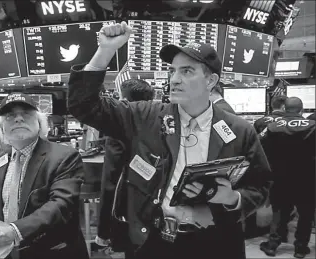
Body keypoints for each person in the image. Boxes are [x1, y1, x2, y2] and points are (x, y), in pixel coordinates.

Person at [67, 22, 271, 259]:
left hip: (216, 240)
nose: (174, 79)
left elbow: (260, 184)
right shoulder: (143, 116)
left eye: (186, 71)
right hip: (154, 241)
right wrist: (105, 51)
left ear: (210, 81)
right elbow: (84, 106)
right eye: (172, 71)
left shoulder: (239, 129)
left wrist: (233, 198)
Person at [0, 93, 88, 259]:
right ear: (2, 128)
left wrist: (15, 230)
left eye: (26, 114)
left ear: (40, 123)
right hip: (7, 250)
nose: (18, 119)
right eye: (10, 116)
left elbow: (61, 204)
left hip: (51, 251)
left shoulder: (64, 156)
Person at [95, 79, 155, 252]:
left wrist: (104, 230)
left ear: (124, 102)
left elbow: (111, 181)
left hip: (131, 216)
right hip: (162, 215)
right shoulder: (162, 124)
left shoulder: (118, 130)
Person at [259, 97, 315, 258]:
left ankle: (272, 245)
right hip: (307, 178)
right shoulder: (312, 126)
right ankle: (300, 248)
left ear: (284, 109)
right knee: (306, 213)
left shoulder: (271, 127)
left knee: (279, 211)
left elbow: (259, 148)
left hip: (280, 177)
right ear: (301, 110)